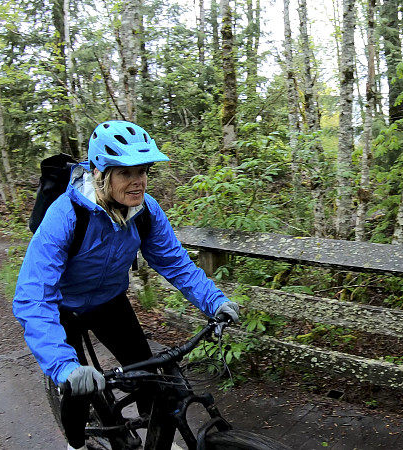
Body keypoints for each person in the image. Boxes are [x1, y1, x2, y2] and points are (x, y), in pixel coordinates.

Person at [13, 120, 240, 450]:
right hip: (60, 308)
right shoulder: (66, 215)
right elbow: (33, 295)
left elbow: (174, 262)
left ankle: (157, 437)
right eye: (125, 173)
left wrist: (214, 300)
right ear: (100, 173)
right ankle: (76, 444)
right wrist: (64, 366)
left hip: (109, 302)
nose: (138, 182)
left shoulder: (146, 209)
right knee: (77, 388)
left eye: (143, 170)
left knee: (151, 379)